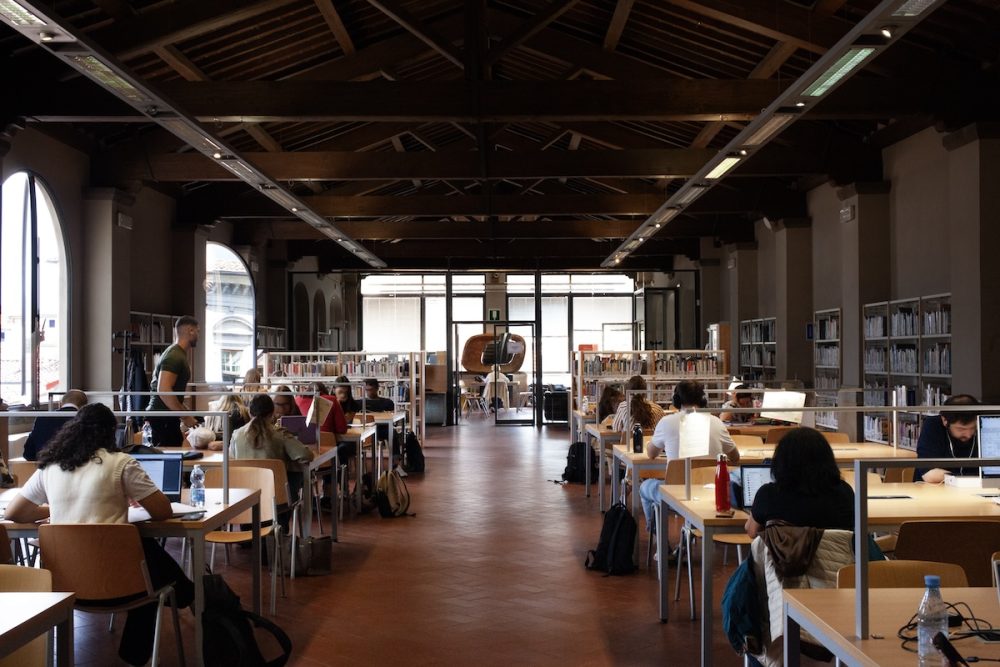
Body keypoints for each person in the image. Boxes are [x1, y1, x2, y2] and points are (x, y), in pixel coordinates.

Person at [5, 403, 194, 666]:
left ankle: (188, 594)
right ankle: (183, 603)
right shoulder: (121, 463)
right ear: (111, 433)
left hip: (65, 586)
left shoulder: (50, 467)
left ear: (73, 430)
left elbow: (14, 512)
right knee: (148, 573)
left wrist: (59, 506)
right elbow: (162, 511)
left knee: (148, 560)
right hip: (122, 585)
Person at [638, 380, 739, 532]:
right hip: (711, 493)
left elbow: (651, 454)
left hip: (676, 495)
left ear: (676, 401)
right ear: (703, 400)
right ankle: (687, 538)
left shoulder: (667, 422)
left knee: (644, 487)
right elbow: (735, 457)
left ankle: (660, 543)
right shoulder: (717, 423)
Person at [744, 427, 854, 538]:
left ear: (781, 462)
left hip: (784, 555)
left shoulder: (768, 495)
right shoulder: (844, 493)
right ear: (828, 459)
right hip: (834, 555)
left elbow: (752, 532)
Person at [230, 394, 315, 519]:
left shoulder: (236, 435)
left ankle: (250, 528)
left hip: (244, 497)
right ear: (272, 412)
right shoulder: (279, 434)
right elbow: (306, 455)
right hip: (275, 498)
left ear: (249, 411)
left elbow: (232, 459)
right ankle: (282, 527)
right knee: (294, 474)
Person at [145, 315, 199, 446]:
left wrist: (185, 411)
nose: (198, 335)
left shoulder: (177, 354)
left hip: (165, 415)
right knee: (169, 455)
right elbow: (163, 390)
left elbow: (172, 391)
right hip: (161, 415)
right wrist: (185, 417)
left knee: (175, 447)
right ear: (190, 331)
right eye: (197, 331)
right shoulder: (174, 356)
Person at [916, 394, 980, 483]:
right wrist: (966, 479)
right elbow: (930, 475)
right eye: (961, 429)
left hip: (975, 489)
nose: (968, 434)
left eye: (973, 428)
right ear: (944, 420)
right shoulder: (932, 426)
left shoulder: (983, 426)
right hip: (934, 490)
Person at [23, 389, 88, 460]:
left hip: (44, 466)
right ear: (84, 407)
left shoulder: (42, 418)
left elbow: (28, 453)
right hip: (73, 467)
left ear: (60, 404)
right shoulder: (83, 419)